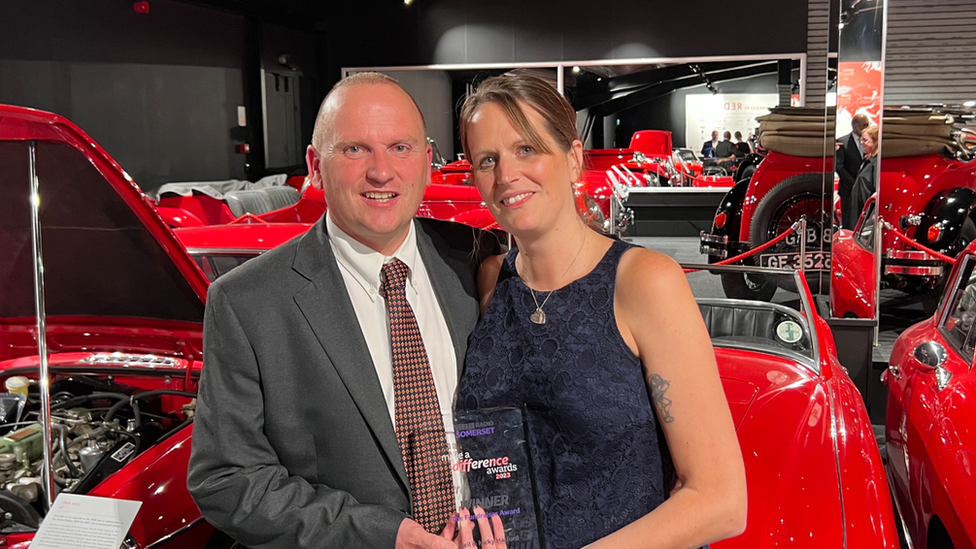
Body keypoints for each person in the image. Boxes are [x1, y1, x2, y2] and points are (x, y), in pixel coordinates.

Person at [187, 72, 499, 549]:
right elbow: (229, 480)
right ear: (315, 165)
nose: (381, 171)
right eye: (355, 149)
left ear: (429, 163)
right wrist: (383, 536)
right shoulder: (246, 302)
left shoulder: (474, 257)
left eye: (401, 147)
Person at [455, 73, 747, 549]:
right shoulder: (492, 280)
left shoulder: (643, 281)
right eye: (488, 159)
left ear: (572, 160)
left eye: (526, 149)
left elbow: (721, 500)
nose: (506, 173)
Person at [836, 113, 870, 228]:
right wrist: (854, 183)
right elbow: (839, 166)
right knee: (849, 221)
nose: (867, 127)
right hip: (848, 189)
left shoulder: (871, 142)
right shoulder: (842, 142)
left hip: (866, 189)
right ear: (855, 127)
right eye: (864, 125)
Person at [849, 124, 879, 228]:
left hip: (865, 215)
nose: (861, 143)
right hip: (858, 211)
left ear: (875, 142)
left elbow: (876, 191)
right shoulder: (867, 160)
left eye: (865, 140)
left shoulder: (876, 163)